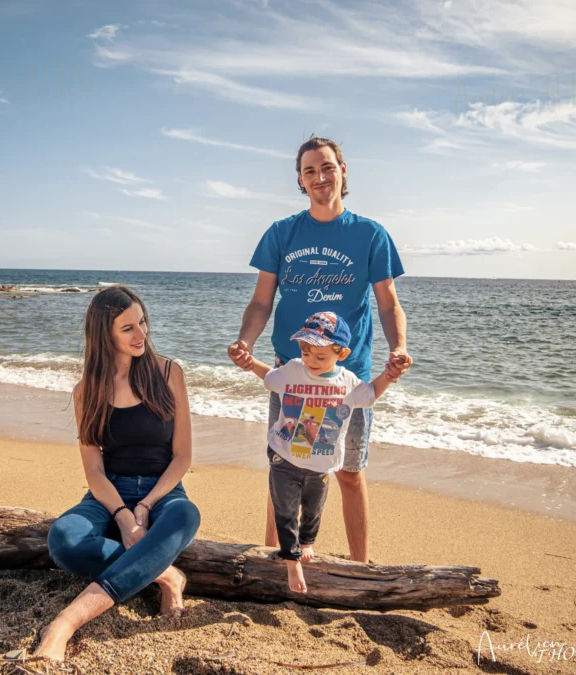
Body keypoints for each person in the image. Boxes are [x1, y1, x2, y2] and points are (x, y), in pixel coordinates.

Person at [228, 136, 412, 563]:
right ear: (300, 180)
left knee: (348, 472)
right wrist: (245, 342)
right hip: (292, 373)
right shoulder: (281, 233)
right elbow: (261, 301)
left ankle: (360, 568)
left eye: (327, 167)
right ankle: (274, 563)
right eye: (310, 170)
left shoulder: (370, 234)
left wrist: (399, 347)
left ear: (343, 172)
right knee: (285, 470)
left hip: (348, 376)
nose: (319, 177)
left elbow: (388, 303)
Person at [35, 286, 200, 663]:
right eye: (128, 328)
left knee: (186, 515)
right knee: (63, 539)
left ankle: (65, 623)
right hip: (108, 493)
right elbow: (94, 470)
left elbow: (182, 456)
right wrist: (123, 516)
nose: (141, 334)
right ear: (104, 333)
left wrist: (145, 504)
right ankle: (166, 575)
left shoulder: (169, 373)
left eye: (142, 322)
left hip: (163, 493)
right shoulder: (86, 392)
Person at [243, 311, 392, 592]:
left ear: (342, 353)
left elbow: (371, 395)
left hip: (321, 461)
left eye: (320, 357)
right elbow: (269, 377)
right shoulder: (293, 369)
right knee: (286, 510)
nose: (311, 361)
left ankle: (307, 542)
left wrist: (390, 375)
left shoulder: (347, 382)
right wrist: (249, 362)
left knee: (313, 508)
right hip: (283, 454)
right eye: (305, 351)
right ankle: (292, 561)